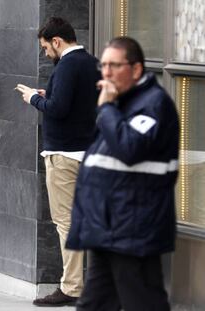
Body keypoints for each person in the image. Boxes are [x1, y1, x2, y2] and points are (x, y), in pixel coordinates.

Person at [66, 37, 179, 311]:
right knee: (94, 305)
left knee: (143, 303)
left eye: (114, 66)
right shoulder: (121, 103)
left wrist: (105, 109)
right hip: (109, 229)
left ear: (136, 69)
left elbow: (129, 148)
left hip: (133, 231)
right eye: (103, 65)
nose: (106, 73)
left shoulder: (152, 104)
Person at [14, 17, 100, 307]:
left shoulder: (67, 65)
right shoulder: (92, 63)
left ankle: (72, 287)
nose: (45, 54)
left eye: (45, 48)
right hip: (90, 153)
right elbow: (80, 104)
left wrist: (33, 99)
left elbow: (59, 109)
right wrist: (47, 94)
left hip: (64, 157)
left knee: (66, 223)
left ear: (57, 41)